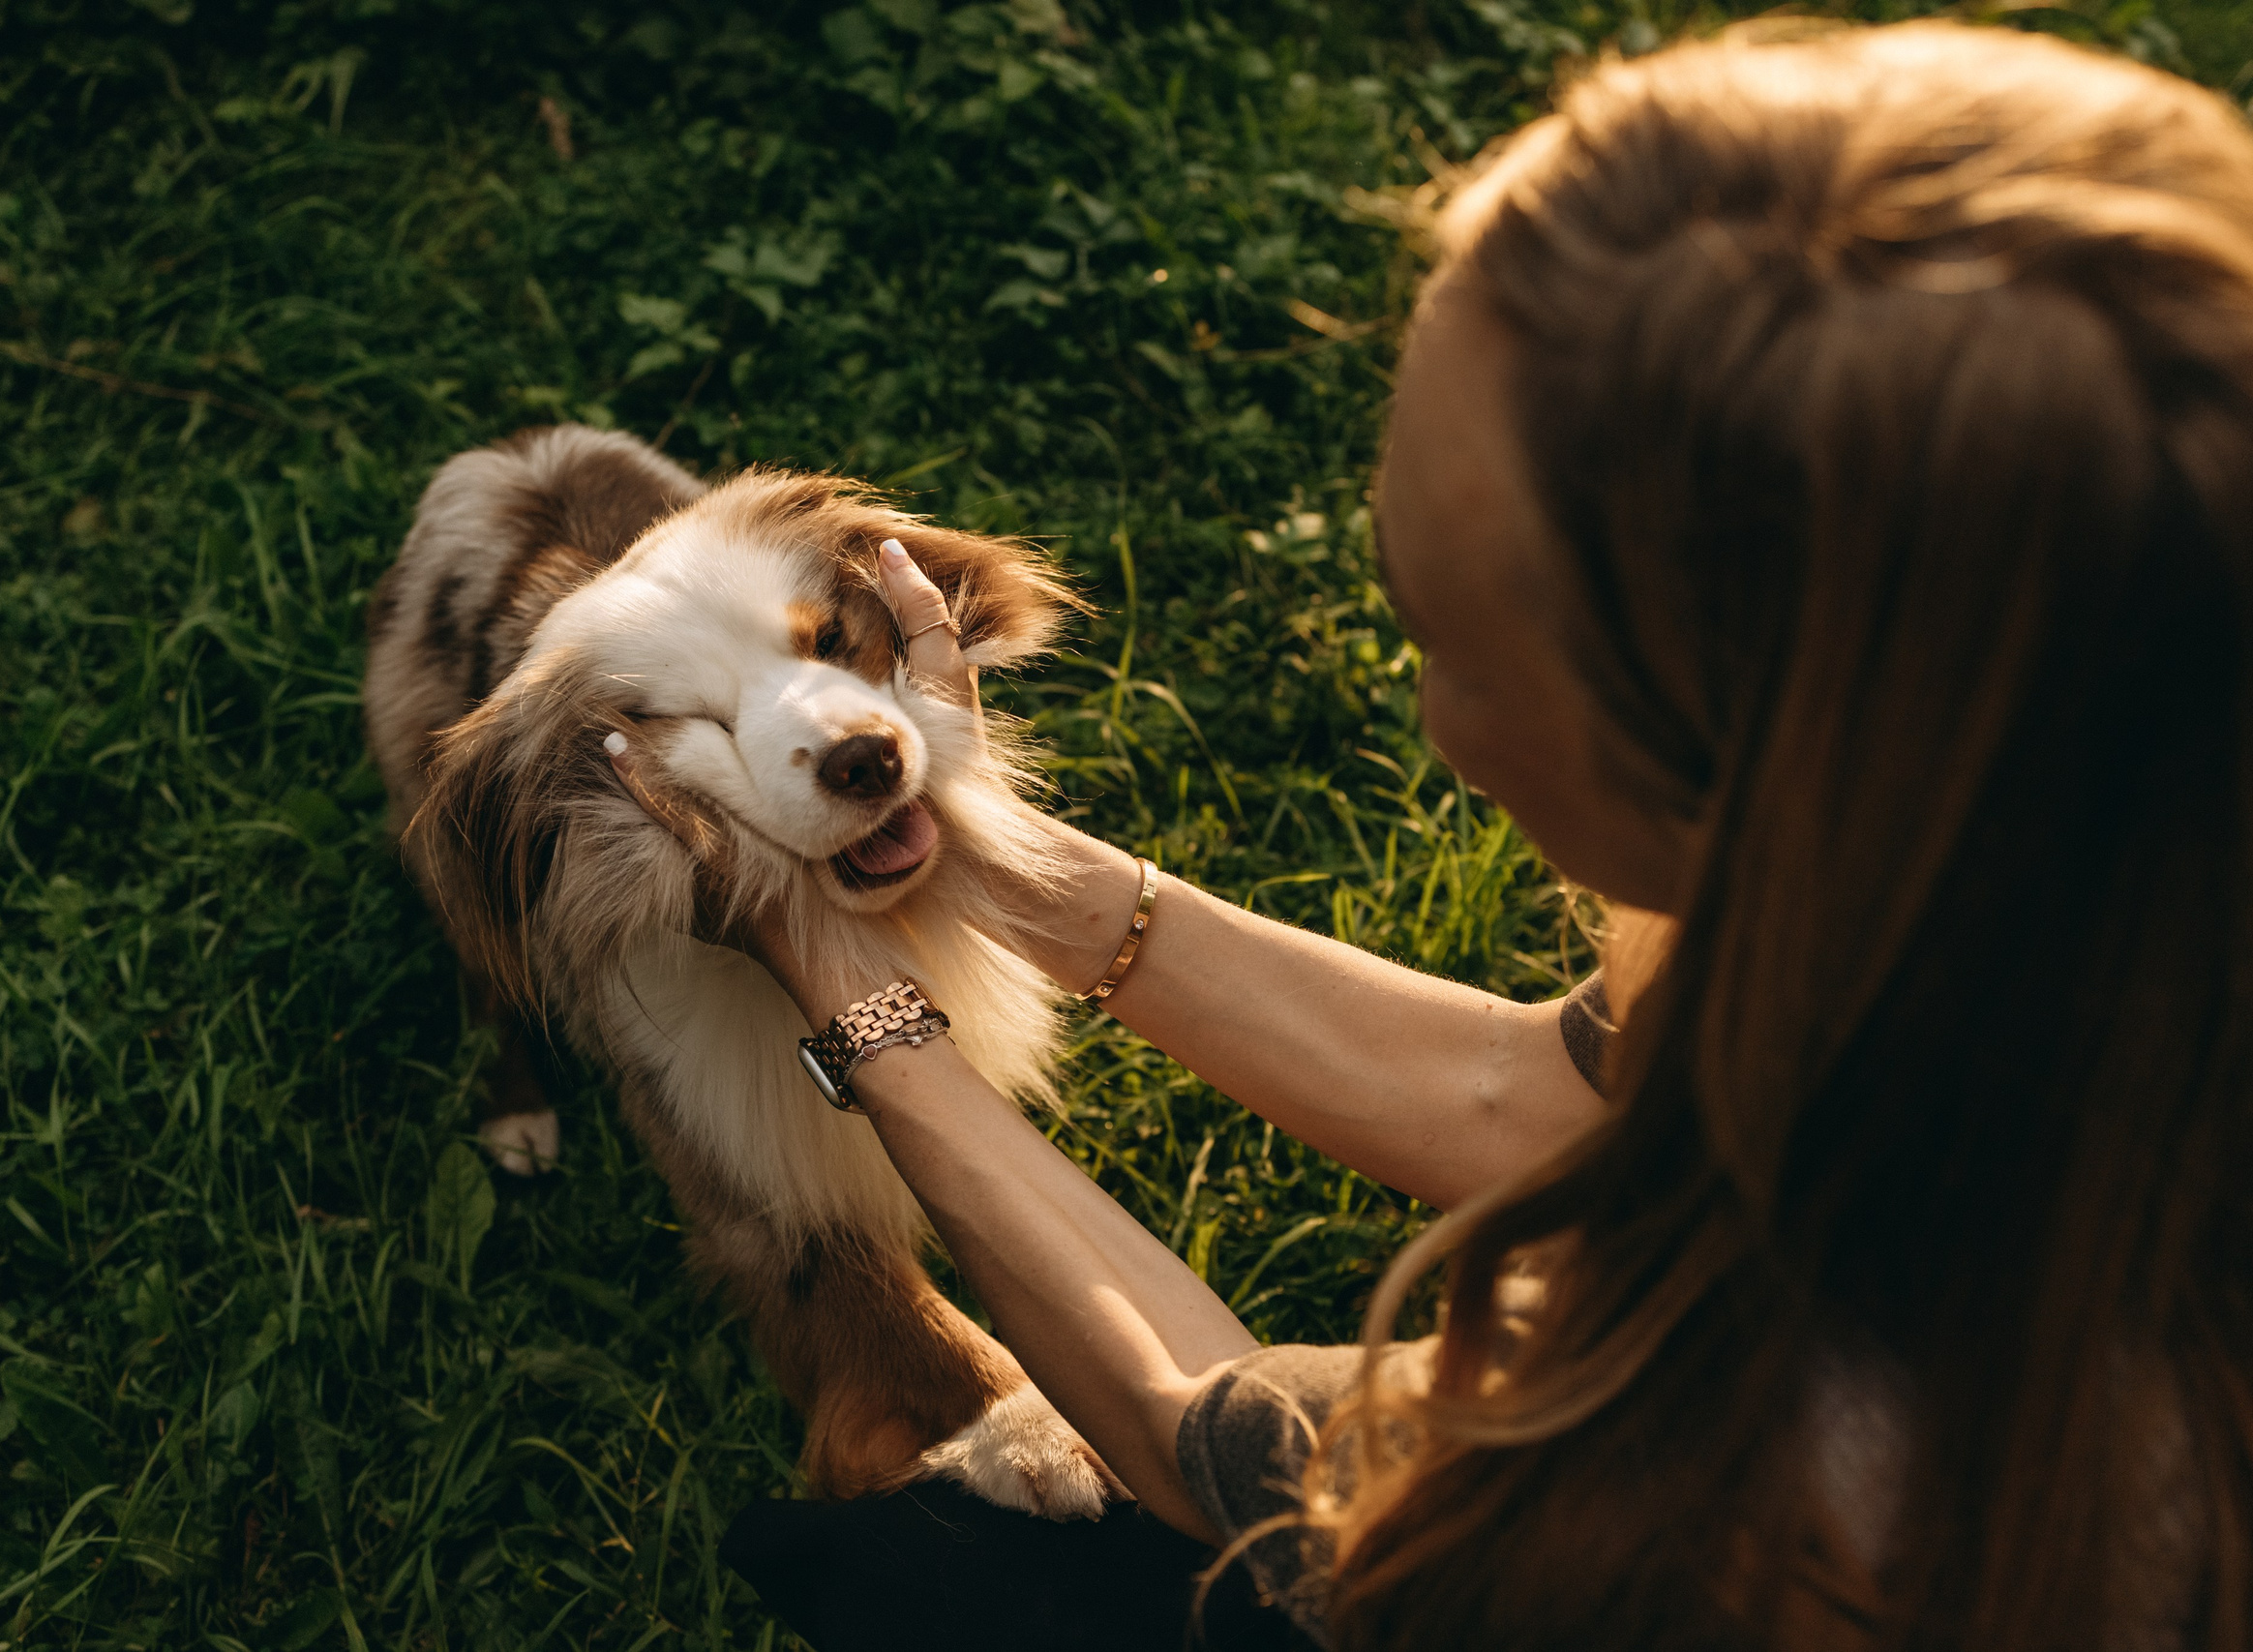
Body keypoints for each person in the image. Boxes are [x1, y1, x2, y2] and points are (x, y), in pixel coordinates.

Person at [632, 21, 2253, 1649]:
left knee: (944, 1567)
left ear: (1733, 765)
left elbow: (1197, 1434)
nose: (1424, 709)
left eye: (1442, 635)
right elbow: (1529, 1098)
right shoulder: (2062, 839)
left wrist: (848, 991)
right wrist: (1009, 868)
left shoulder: (1790, 1441)